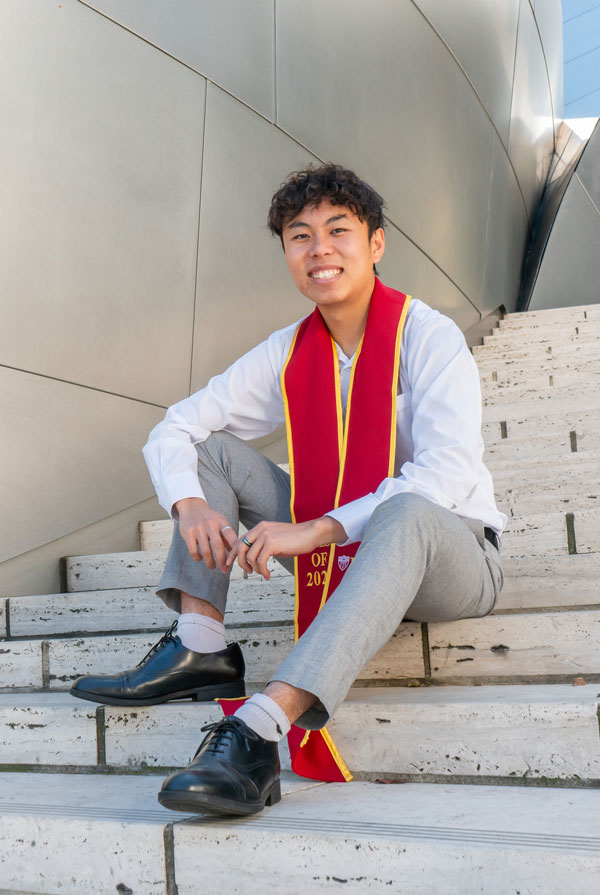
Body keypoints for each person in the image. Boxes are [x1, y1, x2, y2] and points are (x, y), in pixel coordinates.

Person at [71, 163, 506, 816]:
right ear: (287, 254)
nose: (319, 249)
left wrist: (318, 528)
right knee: (208, 451)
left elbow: (445, 475)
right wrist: (189, 505)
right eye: (301, 236)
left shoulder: (429, 336)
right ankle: (201, 642)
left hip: (453, 555)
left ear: (376, 243)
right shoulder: (289, 351)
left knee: (408, 508)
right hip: (343, 541)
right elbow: (178, 426)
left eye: (338, 230)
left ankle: (259, 728)